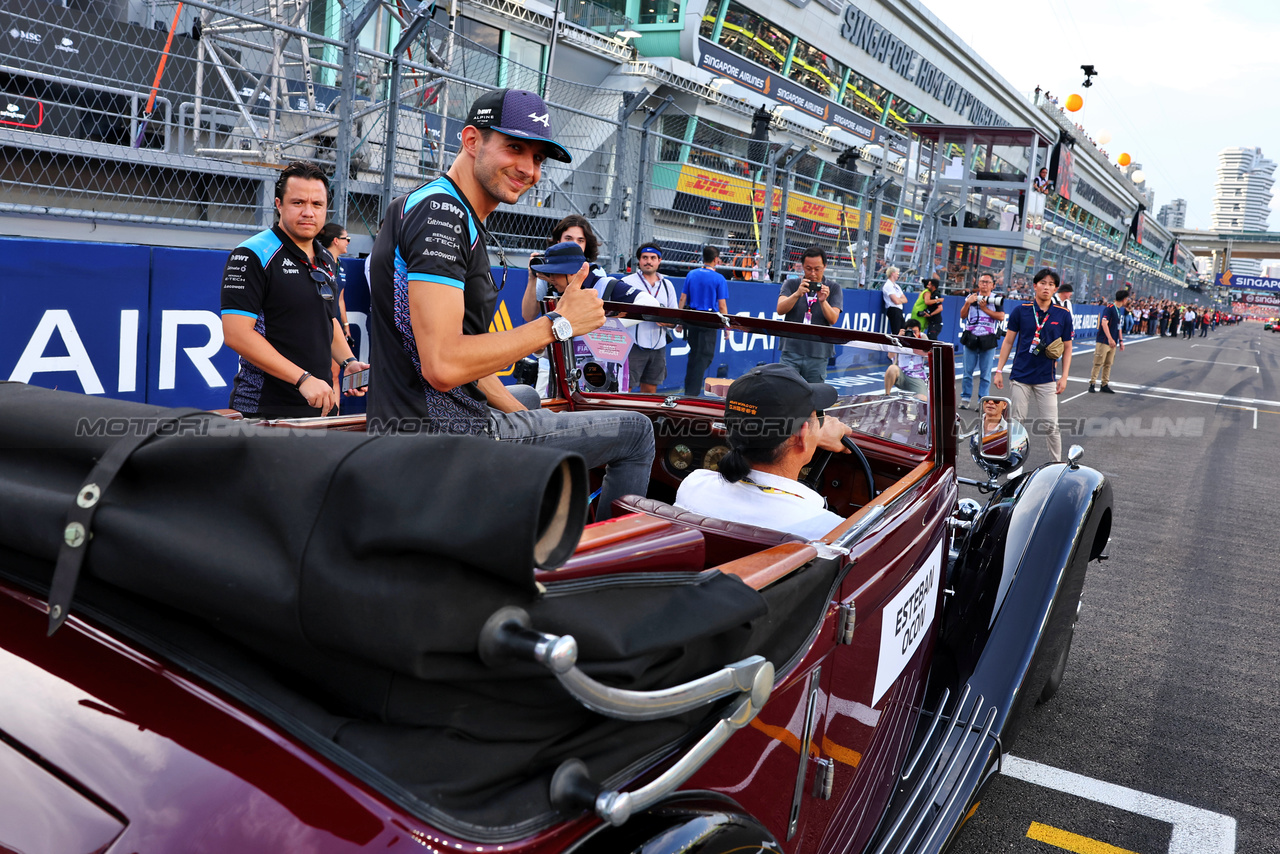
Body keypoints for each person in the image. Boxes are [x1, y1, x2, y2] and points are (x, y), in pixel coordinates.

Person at [365, 88, 654, 519]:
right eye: (514, 148)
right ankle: (598, 566)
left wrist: (529, 419)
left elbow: (470, 363)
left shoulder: (441, 208)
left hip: (414, 422)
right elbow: (443, 366)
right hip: (447, 439)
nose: (528, 169)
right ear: (471, 141)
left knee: (527, 398)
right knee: (638, 431)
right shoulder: (443, 215)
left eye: (538, 158)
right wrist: (558, 323)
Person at [220, 160, 367, 419]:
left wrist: (349, 362)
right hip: (265, 410)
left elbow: (327, 319)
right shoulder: (252, 253)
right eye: (298, 203)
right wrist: (302, 379)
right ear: (279, 205)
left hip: (319, 407)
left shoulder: (325, 257)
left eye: (317, 204)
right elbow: (237, 334)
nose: (308, 212)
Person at [674, 363, 853, 540]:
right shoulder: (829, 530)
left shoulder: (693, 485)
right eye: (818, 416)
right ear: (801, 434)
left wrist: (806, 435)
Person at [994, 268, 1073, 461]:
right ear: (1035, 285)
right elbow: (1008, 341)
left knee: (1051, 425)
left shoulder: (1063, 314)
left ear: (1055, 289)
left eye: (1051, 284)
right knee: (1017, 423)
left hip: (1047, 378)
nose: (1047, 287)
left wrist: (1064, 376)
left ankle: (1057, 464)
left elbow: (1068, 347)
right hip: (1020, 375)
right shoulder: (1021, 310)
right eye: (1043, 283)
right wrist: (999, 370)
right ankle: (1014, 462)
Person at [619, 240, 680, 393]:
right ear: (639, 261)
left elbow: (675, 318)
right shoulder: (626, 282)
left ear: (659, 261)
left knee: (650, 390)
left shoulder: (667, 285)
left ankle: (644, 417)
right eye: (645, 258)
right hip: (632, 345)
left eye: (653, 258)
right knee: (626, 388)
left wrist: (666, 322)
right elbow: (615, 315)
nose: (648, 261)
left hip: (658, 346)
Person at [776, 246, 844, 381]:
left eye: (817, 269)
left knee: (814, 394)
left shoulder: (834, 288)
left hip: (818, 353)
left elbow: (833, 319)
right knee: (785, 389)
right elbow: (780, 309)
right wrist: (797, 294)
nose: (813, 273)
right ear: (802, 266)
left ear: (825, 266)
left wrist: (823, 301)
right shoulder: (791, 284)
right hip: (791, 350)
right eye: (808, 269)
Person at [678, 244, 730, 396]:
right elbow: (722, 306)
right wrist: (727, 328)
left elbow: (683, 298)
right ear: (716, 259)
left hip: (692, 319)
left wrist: (680, 321)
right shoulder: (719, 278)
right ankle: (691, 394)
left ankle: (690, 392)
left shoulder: (692, 274)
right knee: (703, 358)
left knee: (695, 356)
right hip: (708, 320)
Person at [959, 272, 1006, 408]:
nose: (984, 284)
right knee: (967, 372)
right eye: (982, 282)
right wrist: (968, 303)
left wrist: (984, 308)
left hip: (988, 339)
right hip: (971, 337)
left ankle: (982, 401)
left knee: (985, 374)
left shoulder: (996, 298)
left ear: (993, 285)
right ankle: (965, 399)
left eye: (987, 282)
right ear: (978, 284)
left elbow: (1001, 316)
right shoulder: (971, 297)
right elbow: (962, 315)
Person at [318, 222, 356, 352]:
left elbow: (340, 299)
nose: (348, 242)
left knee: (335, 371)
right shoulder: (316, 262)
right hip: (320, 322)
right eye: (347, 239)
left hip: (336, 322)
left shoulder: (342, 264)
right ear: (336, 241)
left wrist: (346, 326)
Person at [1089, 289, 1128, 394]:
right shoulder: (1110, 308)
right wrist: (1110, 338)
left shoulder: (1119, 310)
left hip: (1113, 342)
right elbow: (1104, 323)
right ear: (1124, 299)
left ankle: (1104, 384)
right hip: (1104, 340)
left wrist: (1120, 340)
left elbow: (1119, 327)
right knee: (1098, 362)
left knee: (1108, 364)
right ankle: (1092, 383)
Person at [883, 318, 929, 399]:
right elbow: (890, 355)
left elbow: (928, 356)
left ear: (919, 331)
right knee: (892, 368)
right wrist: (898, 338)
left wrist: (916, 342)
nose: (912, 334)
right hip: (902, 375)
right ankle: (887, 396)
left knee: (922, 400)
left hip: (917, 377)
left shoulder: (923, 338)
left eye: (915, 332)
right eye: (910, 331)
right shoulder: (900, 339)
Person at [881, 265, 907, 334]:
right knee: (896, 331)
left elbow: (905, 299)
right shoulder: (888, 285)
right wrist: (899, 300)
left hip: (899, 310)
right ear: (892, 273)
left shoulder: (897, 286)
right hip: (893, 309)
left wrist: (899, 300)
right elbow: (895, 301)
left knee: (903, 330)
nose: (898, 275)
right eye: (897, 274)